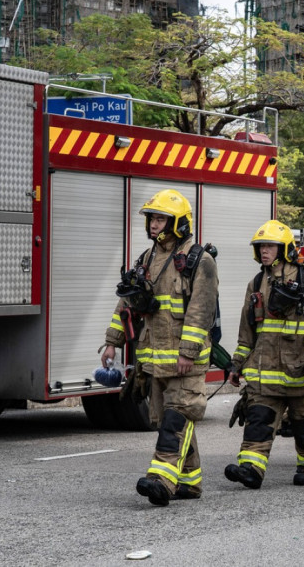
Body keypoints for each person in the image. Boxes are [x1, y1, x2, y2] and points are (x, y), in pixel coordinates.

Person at [102, 189, 218, 506]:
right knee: (170, 419)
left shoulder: (199, 261)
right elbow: (125, 303)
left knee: (177, 417)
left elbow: (201, 311)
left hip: (186, 361)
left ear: (178, 223)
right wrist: (112, 343)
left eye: (160, 218)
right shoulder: (147, 259)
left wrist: (187, 353)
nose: (154, 225)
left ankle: (162, 479)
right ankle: (190, 483)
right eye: (152, 218)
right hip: (155, 359)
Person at [224, 220, 304, 489]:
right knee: (258, 421)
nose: (264, 251)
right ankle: (251, 469)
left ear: (284, 248)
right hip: (264, 375)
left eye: (270, 246)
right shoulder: (256, 283)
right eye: (261, 246)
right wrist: (236, 364)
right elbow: (247, 332)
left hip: (300, 374)